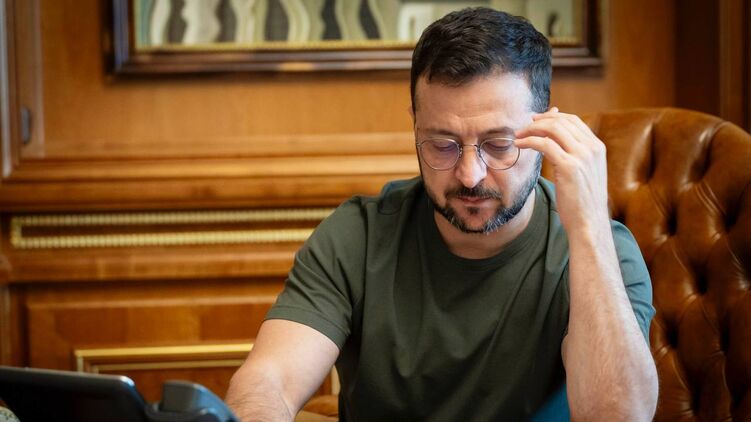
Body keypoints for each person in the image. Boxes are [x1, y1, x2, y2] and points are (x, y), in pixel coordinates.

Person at [226, 7, 658, 421]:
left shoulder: (603, 250)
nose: (470, 175)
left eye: (498, 145)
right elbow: (269, 382)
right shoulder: (358, 236)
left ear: (545, 129)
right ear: (415, 126)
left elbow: (618, 416)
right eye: (442, 144)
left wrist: (588, 227)